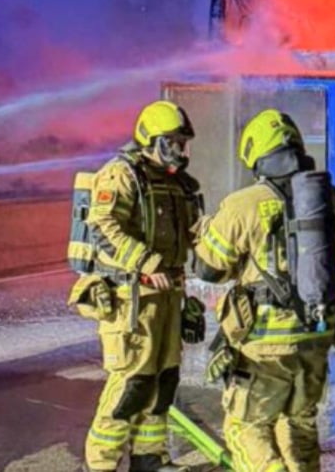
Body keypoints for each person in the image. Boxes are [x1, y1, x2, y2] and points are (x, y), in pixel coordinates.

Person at [192, 109, 335, 472]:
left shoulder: (242, 205)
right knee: (299, 426)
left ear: (256, 156)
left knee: (246, 427)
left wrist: (205, 231)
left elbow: (209, 269)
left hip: (264, 344)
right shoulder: (331, 198)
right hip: (316, 334)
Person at [78, 100, 203, 472]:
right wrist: (147, 263)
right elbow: (103, 226)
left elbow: (194, 231)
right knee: (131, 384)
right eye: (173, 142)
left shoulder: (177, 182)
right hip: (131, 297)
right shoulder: (122, 174)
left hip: (167, 296)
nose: (180, 150)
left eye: (182, 142)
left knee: (163, 382)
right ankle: (101, 464)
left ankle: (150, 459)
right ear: (151, 139)